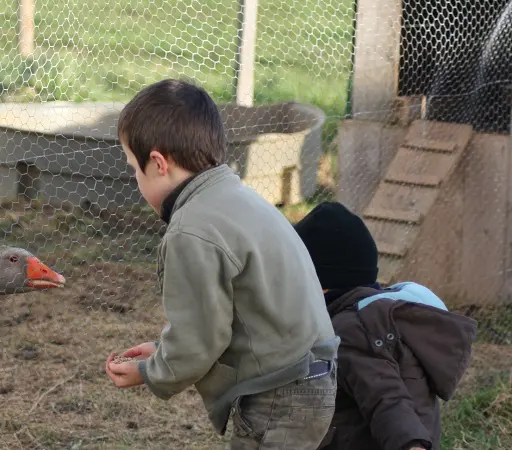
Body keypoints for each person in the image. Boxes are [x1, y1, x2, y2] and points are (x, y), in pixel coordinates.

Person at [104, 78, 340, 449]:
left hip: (278, 395)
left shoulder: (192, 230)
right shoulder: (237, 197)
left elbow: (200, 340)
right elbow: (224, 315)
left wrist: (152, 372)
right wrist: (162, 348)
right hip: (311, 376)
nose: (135, 179)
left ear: (158, 163)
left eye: (134, 168)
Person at [293, 201, 478, 450]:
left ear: (320, 282)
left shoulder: (351, 330)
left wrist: (411, 445)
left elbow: (386, 399)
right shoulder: (382, 315)